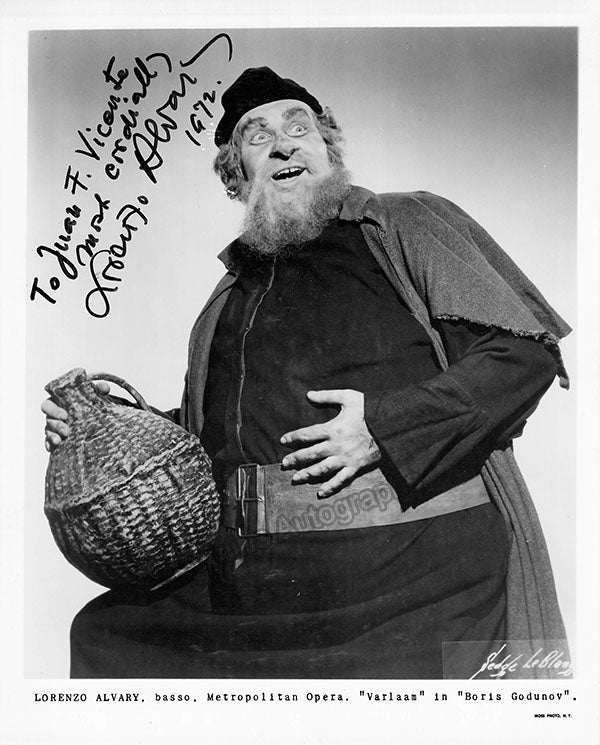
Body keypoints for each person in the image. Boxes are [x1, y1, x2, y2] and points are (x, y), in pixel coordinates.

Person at [42, 66, 571, 679]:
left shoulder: (402, 223)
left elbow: (521, 354)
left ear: (328, 149)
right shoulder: (232, 291)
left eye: (299, 128)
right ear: (236, 174)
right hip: (251, 578)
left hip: (411, 577)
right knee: (108, 637)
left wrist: (383, 428)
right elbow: (214, 431)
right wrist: (103, 430)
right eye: (257, 135)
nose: (283, 145)